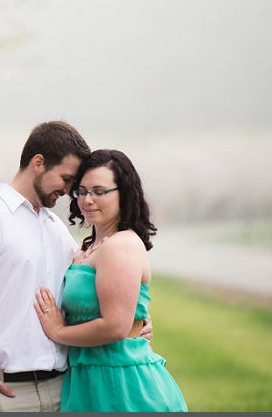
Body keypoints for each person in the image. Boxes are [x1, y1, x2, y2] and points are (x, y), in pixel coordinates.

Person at [0, 121, 152, 412]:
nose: (69, 190)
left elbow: (91, 287)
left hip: (64, 389)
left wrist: (135, 322)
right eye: (65, 178)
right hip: (4, 393)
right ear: (38, 163)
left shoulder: (54, 228)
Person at [34, 148, 188, 412]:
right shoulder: (86, 249)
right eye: (82, 191)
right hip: (90, 380)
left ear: (124, 193)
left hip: (122, 385)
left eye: (99, 191)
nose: (88, 200)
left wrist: (58, 332)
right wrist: (139, 324)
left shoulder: (121, 245)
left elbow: (116, 327)